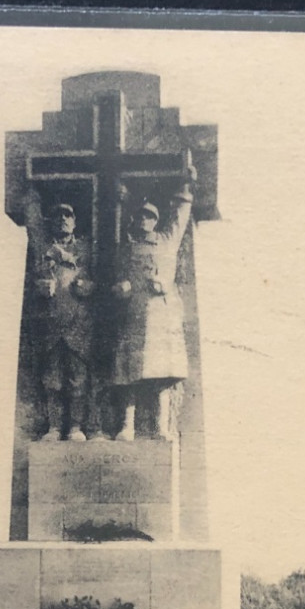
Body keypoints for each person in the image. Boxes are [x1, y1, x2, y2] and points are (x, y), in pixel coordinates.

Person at [110, 168, 195, 440]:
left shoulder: (167, 242)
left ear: (156, 221)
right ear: (135, 220)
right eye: (142, 216)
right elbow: (114, 279)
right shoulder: (127, 248)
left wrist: (185, 186)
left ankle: (161, 427)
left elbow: (180, 217)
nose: (145, 220)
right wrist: (120, 288)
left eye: (150, 216)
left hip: (160, 315)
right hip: (133, 314)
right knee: (129, 374)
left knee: (161, 374)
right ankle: (127, 426)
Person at [23, 191, 97, 441]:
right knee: (52, 379)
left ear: (75, 221)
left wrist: (87, 287)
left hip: (78, 322)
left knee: (78, 377)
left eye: (68, 216)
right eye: (58, 216)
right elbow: (31, 282)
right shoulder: (44, 249)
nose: (63, 220)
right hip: (51, 323)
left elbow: (98, 281)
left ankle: (76, 426)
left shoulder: (85, 248)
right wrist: (40, 287)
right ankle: (55, 427)